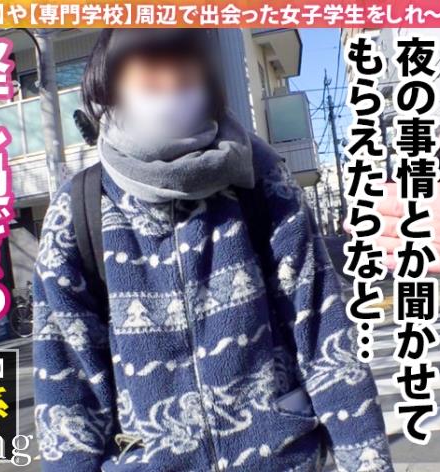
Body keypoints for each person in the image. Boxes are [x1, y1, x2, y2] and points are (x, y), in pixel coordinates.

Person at [31, 29, 393, 472]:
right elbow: (66, 387)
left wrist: (369, 462)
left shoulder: (260, 179)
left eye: (185, 72)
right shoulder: (78, 208)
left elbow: (325, 337)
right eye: (150, 75)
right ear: (107, 87)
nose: (170, 86)